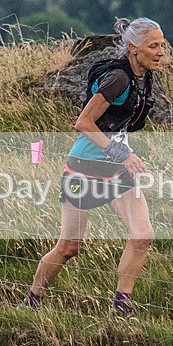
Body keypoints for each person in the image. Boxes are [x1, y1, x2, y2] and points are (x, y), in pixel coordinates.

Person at [20, 17, 165, 318]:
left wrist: (126, 155)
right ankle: (32, 302)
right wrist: (120, 151)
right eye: (154, 46)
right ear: (133, 48)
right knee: (69, 248)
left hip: (117, 172)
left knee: (143, 235)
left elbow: (119, 126)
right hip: (83, 170)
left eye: (162, 45)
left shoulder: (143, 77)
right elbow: (83, 123)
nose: (161, 51)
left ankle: (121, 308)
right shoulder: (118, 79)